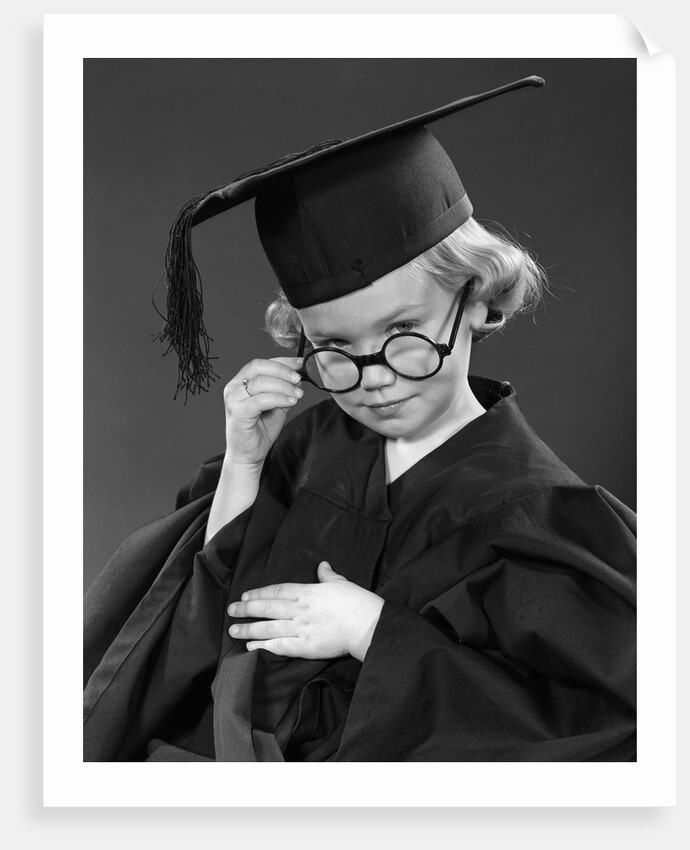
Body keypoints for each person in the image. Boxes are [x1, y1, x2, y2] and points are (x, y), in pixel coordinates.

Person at [83, 76, 636, 762]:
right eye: (336, 348)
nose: (372, 380)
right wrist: (243, 466)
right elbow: (194, 644)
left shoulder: (545, 518)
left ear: (475, 301)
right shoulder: (311, 449)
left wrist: (376, 632)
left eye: (403, 332)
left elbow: (601, 731)